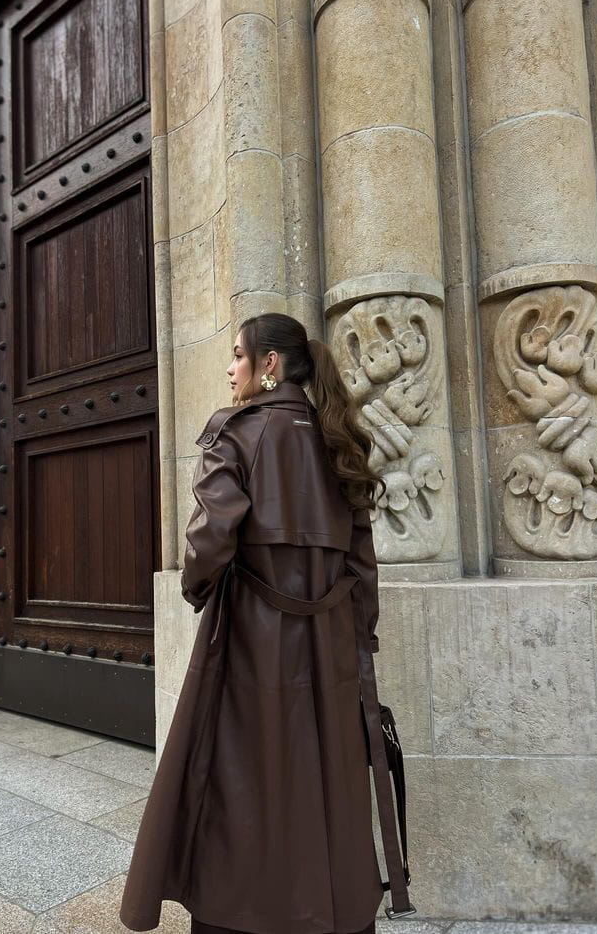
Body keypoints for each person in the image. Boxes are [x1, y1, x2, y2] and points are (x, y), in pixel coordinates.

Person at [119, 312, 411, 934]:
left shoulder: (237, 431)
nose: (230, 369)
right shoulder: (338, 438)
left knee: (242, 778)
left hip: (251, 634)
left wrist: (197, 589)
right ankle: (334, 915)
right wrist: (359, 638)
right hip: (330, 641)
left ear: (269, 363)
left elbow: (209, 541)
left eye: (237, 355)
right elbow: (362, 563)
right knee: (327, 778)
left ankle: (238, 916)